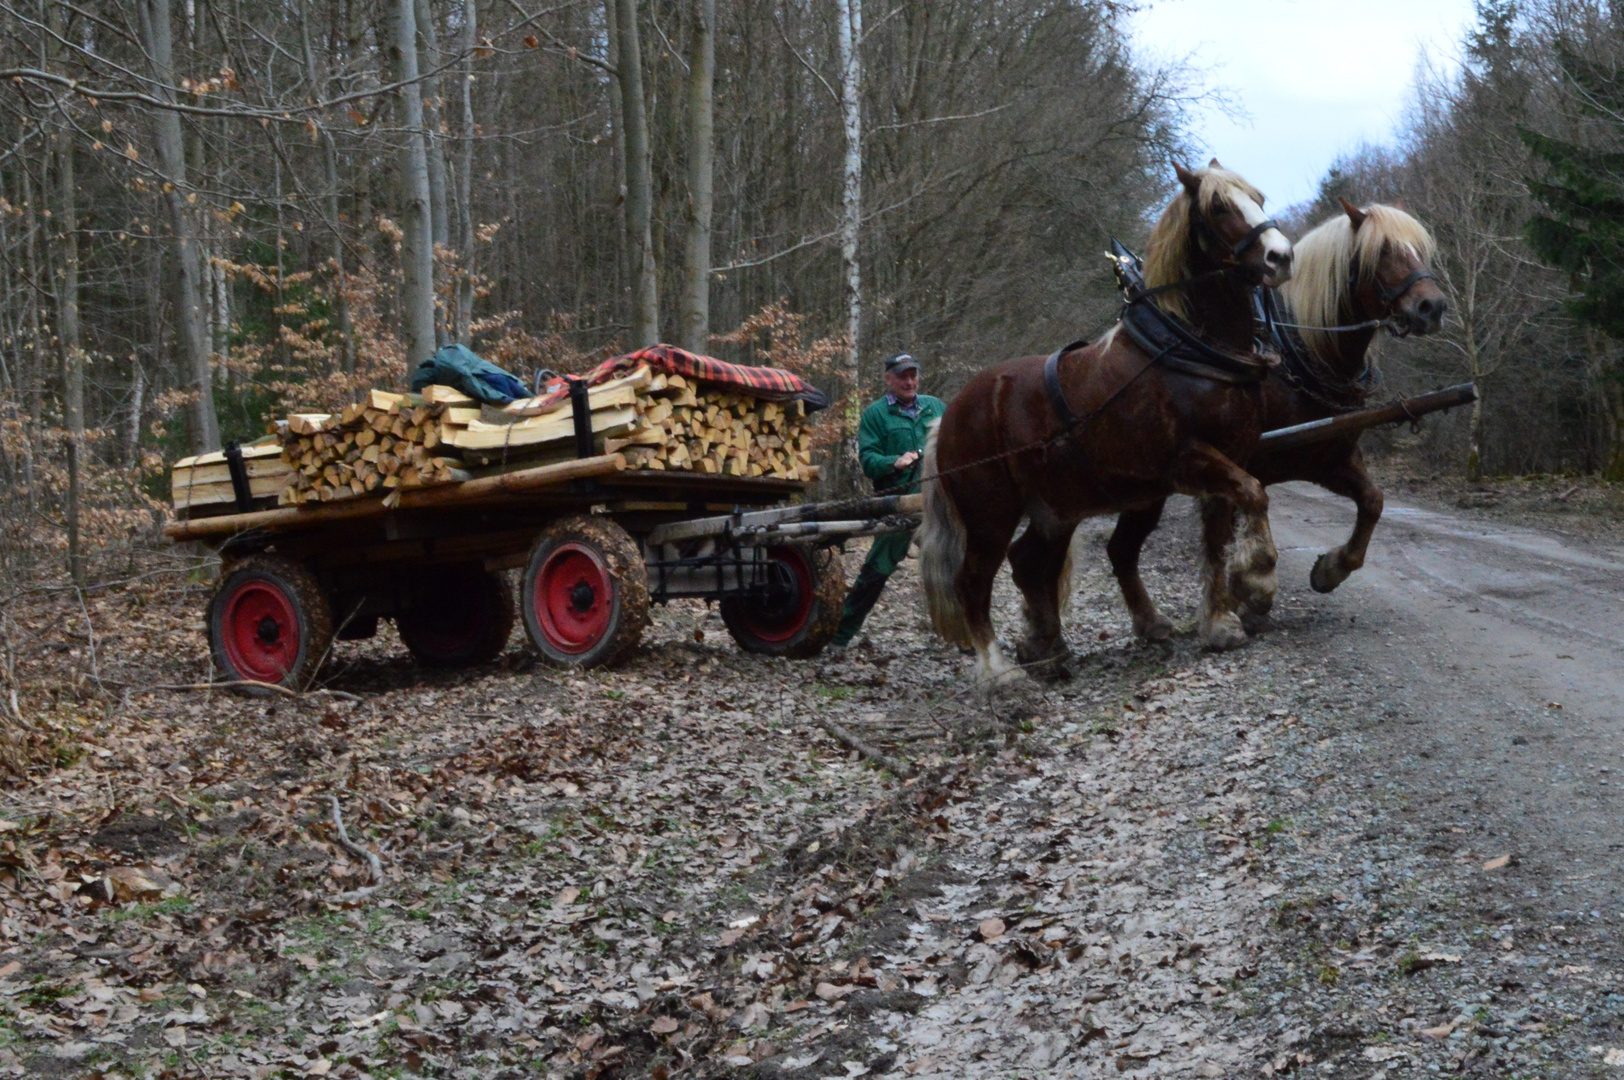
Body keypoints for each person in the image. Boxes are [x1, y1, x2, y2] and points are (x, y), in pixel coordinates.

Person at [830, 353, 946, 649]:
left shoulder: (936, 408)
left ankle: (965, 638)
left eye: (913, 375)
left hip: (936, 505)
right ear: (889, 379)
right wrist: (895, 461)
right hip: (898, 507)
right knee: (876, 571)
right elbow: (868, 460)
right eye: (902, 376)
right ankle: (840, 636)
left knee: (952, 568)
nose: (909, 381)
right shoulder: (875, 415)